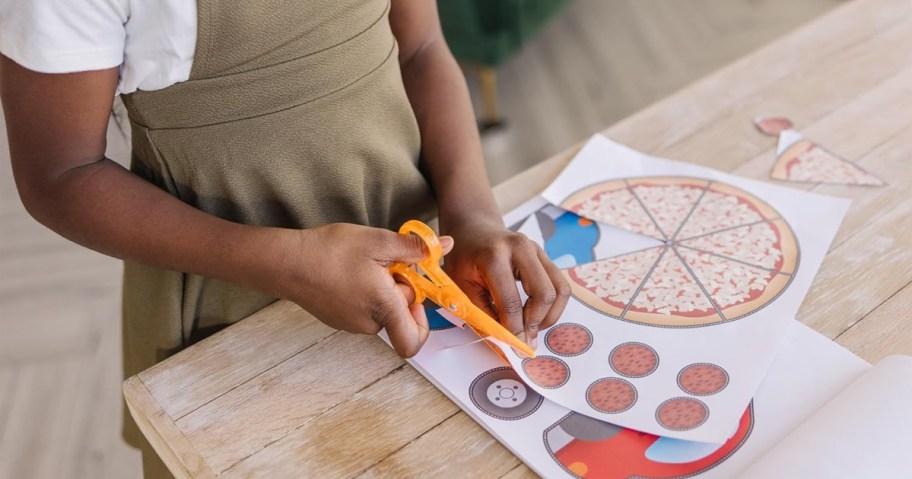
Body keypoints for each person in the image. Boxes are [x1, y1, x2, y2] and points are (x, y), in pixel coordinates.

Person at [0, 0, 570, 476]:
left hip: (419, 275)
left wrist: (472, 214)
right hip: (227, 304)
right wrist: (290, 264)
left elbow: (419, 48)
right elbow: (60, 174)